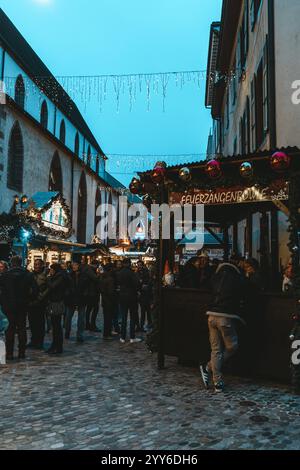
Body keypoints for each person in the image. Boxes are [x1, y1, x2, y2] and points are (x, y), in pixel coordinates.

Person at [200, 255, 246, 393]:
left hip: (211, 315)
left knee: (216, 349)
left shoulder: (215, 277)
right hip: (225, 316)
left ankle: (216, 380)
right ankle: (209, 369)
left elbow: (204, 286)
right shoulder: (237, 279)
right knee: (232, 346)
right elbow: (244, 294)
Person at [0, 256, 37, 361]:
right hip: (22, 305)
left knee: (10, 330)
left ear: (12, 263)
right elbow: (35, 291)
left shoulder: (5, 275)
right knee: (22, 329)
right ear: (21, 263)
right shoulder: (28, 275)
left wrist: (3, 301)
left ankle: (10, 353)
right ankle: (21, 352)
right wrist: (28, 300)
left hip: (9, 306)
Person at [117, 259, 141, 344]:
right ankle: (132, 337)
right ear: (129, 264)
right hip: (132, 297)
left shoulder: (119, 273)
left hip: (122, 296)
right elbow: (137, 284)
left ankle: (122, 337)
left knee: (123, 317)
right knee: (132, 317)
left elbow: (118, 284)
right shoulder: (132, 273)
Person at [44, 263, 67, 354]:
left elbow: (53, 286)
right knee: (55, 325)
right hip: (55, 302)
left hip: (57, 302)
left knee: (57, 326)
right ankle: (55, 345)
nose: (50, 270)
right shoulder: (59, 276)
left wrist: (48, 277)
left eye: (51, 269)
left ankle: (58, 347)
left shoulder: (60, 277)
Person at [65, 262, 89, 343]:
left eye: (76, 265)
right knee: (68, 317)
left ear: (79, 266)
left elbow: (86, 286)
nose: (74, 266)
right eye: (73, 265)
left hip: (81, 298)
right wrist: (68, 294)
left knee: (81, 318)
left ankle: (80, 335)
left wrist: (85, 294)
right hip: (71, 298)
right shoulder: (69, 275)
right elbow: (67, 286)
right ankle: (67, 332)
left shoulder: (84, 275)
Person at [27, 259, 48, 350]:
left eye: (38, 264)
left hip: (40, 303)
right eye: (35, 264)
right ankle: (33, 340)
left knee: (40, 323)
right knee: (32, 323)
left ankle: (39, 342)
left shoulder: (45, 275)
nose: (36, 266)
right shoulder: (31, 274)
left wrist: (40, 298)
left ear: (42, 265)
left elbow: (47, 289)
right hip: (31, 302)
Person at [136, 260, 153, 331]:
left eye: (140, 265)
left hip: (146, 294)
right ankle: (145, 325)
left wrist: (144, 284)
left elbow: (149, 282)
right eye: (138, 265)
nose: (139, 266)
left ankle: (145, 324)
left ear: (142, 265)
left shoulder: (146, 272)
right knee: (144, 310)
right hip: (142, 294)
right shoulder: (137, 273)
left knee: (147, 310)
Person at [85, 262, 101, 332]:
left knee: (89, 309)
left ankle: (88, 324)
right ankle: (92, 325)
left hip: (91, 293)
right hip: (92, 293)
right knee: (95, 309)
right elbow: (95, 279)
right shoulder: (90, 270)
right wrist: (99, 274)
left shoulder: (88, 270)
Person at [100, 263, 115, 340]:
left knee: (106, 318)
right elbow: (110, 292)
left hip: (104, 300)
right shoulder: (110, 279)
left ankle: (106, 333)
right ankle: (107, 334)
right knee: (108, 318)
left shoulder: (102, 277)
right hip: (109, 301)